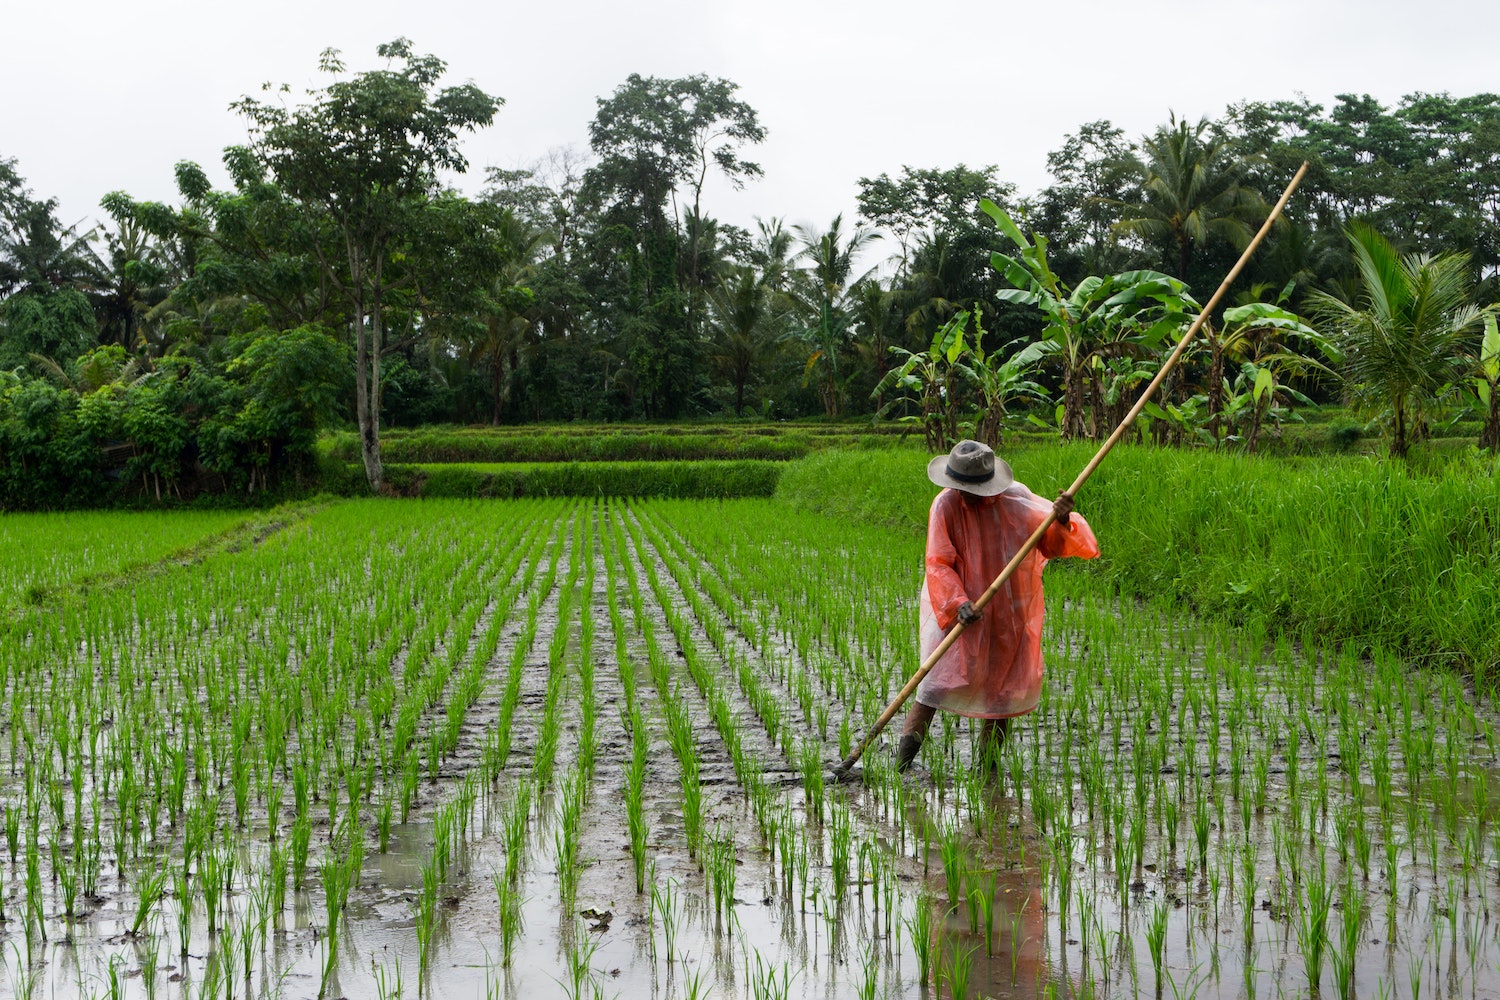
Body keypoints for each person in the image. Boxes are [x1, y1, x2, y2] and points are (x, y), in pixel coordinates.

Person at [897, 439, 1100, 773]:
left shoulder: (1017, 500)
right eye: (957, 487)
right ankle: (901, 766)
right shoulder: (945, 505)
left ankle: (986, 768)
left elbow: (1049, 544)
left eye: (969, 489)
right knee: (933, 685)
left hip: (1009, 608)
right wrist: (958, 603)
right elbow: (938, 562)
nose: (961, 493)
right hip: (958, 607)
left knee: (1003, 692)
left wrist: (1061, 520)